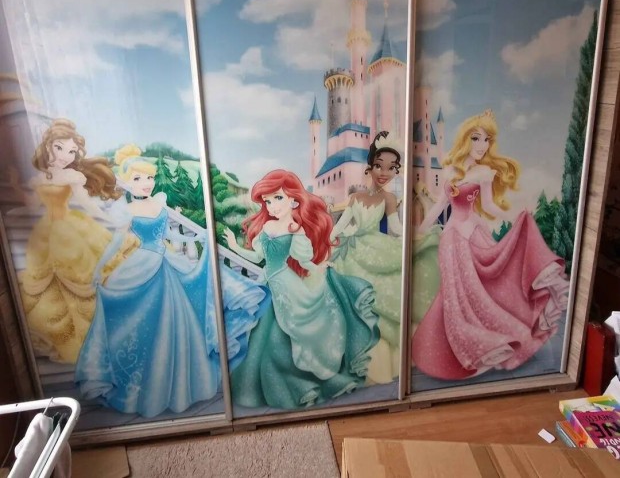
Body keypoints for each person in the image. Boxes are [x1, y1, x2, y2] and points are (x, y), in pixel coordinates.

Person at [75, 145, 269, 418]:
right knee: (145, 322)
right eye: (138, 178)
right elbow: (117, 242)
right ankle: (146, 383)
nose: (146, 183)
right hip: (142, 264)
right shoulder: (127, 210)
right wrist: (99, 268)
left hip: (165, 262)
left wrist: (196, 238)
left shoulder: (159, 202)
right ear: (127, 181)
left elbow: (169, 235)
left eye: (149, 177)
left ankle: (180, 381)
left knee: (178, 318)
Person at [411, 110, 569, 380]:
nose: (482, 145)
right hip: (450, 240)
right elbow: (439, 207)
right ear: (465, 139)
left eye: (486, 140)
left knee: (480, 290)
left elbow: (489, 206)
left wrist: (517, 216)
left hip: (472, 234)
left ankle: (492, 343)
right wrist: (418, 232)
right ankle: (458, 348)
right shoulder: (450, 171)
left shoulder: (485, 172)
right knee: (453, 295)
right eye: (476, 138)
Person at [224, 169, 380, 410]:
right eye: (268, 201)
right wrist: (234, 245)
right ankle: (262, 384)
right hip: (269, 283)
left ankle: (302, 381)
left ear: (293, 200)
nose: (273, 206)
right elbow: (257, 257)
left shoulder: (294, 228)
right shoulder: (267, 227)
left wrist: (320, 268)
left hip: (287, 285)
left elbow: (303, 260)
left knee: (288, 333)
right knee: (263, 334)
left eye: (278, 198)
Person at [19, 118, 122, 364]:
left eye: (72, 151)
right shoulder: (38, 178)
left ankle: (99, 335)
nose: (66, 156)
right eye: (60, 148)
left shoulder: (72, 176)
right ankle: (72, 338)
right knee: (49, 282)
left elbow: (86, 203)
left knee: (83, 277)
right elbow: (32, 206)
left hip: (71, 229)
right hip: (46, 232)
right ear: (48, 146)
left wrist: (108, 219)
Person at [329, 131, 403, 383]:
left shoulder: (389, 198)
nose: (384, 172)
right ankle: (351, 357)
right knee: (350, 303)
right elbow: (341, 225)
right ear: (370, 167)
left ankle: (377, 363)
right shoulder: (356, 198)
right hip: (352, 249)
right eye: (379, 166)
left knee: (374, 303)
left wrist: (414, 238)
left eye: (391, 168)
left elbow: (396, 227)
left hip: (376, 248)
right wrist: (328, 239)